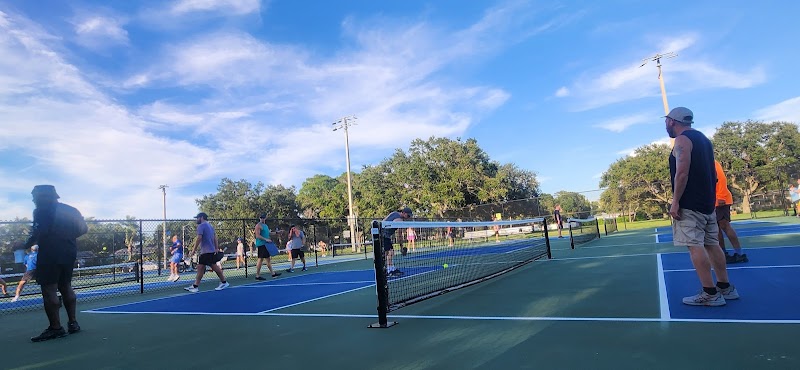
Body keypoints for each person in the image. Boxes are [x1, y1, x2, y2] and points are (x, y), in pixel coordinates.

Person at [665, 107, 739, 306]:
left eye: (667, 121)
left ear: (672, 121)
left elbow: (682, 173)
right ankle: (726, 288)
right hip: (707, 204)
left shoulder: (682, 141)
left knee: (694, 246)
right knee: (712, 244)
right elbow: (713, 176)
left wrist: (675, 201)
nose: (666, 125)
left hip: (690, 205)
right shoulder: (704, 141)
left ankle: (710, 293)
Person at [25, 185, 88, 342]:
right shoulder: (71, 210)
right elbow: (83, 229)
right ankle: (73, 323)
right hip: (69, 251)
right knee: (65, 285)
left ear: (44, 196)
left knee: (49, 289)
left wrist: (24, 244)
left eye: (35, 196)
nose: (33, 199)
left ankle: (55, 328)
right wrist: (66, 237)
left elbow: (40, 232)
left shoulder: (41, 210)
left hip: (50, 253)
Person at [183, 213, 229, 293]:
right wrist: (216, 248)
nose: (196, 219)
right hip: (207, 251)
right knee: (200, 268)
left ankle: (224, 282)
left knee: (214, 267)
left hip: (207, 252)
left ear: (201, 217)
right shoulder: (210, 226)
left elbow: (199, 238)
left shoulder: (201, 226)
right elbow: (215, 238)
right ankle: (195, 286)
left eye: (197, 218)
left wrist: (193, 250)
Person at [714, 160, 747, 264]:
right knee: (716, 228)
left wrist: (720, 197)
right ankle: (723, 254)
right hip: (714, 200)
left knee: (724, 226)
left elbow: (721, 179)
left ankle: (739, 254)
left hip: (720, 200)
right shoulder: (706, 162)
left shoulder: (711, 162)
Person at [381, 207, 413, 276]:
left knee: (387, 253)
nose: (408, 218)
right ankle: (389, 270)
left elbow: (384, 221)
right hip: (383, 235)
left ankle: (389, 269)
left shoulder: (393, 213)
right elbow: (399, 234)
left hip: (384, 235)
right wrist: (401, 247)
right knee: (390, 252)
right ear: (404, 213)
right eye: (408, 216)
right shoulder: (400, 220)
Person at [253, 213, 281, 280]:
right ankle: (257, 275)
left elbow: (269, 233)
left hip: (266, 245)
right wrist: (266, 239)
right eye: (261, 218)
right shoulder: (258, 226)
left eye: (263, 218)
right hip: (261, 244)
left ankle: (273, 274)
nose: (262, 219)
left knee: (268, 259)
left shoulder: (265, 225)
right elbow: (257, 236)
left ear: (265, 218)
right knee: (260, 259)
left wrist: (277, 233)